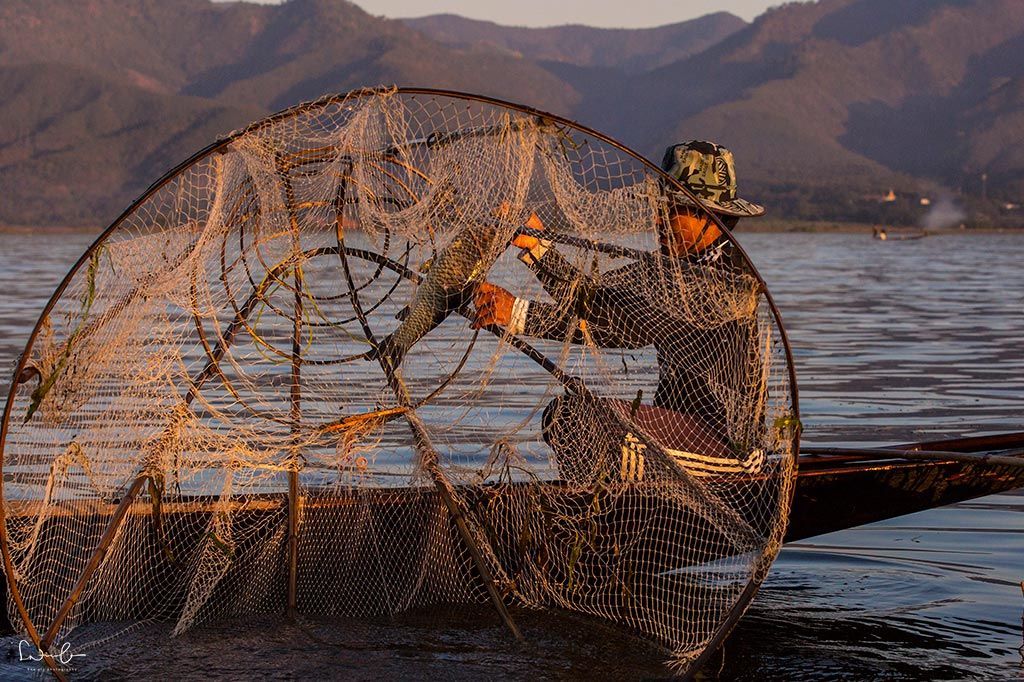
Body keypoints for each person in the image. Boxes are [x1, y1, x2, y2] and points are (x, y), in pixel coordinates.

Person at [472, 140, 768, 484]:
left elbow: (617, 326)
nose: (657, 218)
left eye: (671, 209)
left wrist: (517, 313)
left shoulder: (726, 280)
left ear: (709, 216)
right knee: (568, 415)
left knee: (578, 420)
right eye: (659, 206)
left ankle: (597, 515)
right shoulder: (670, 268)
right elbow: (594, 298)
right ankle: (602, 510)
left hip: (728, 449)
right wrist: (536, 246)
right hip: (679, 427)